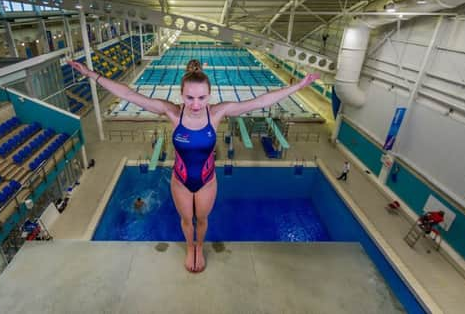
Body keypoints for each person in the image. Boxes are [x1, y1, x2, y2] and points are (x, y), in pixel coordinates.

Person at [68, 58, 318, 273]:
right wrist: (91, 74)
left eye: (201, 98)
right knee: (187, 220)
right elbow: (128, 94)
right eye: (189, 97)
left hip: (208, 180)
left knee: (202, 219)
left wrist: (299, 86)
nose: (196, 104)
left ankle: (200, 245)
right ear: (181, 95)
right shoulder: (172, 113)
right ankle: (191, 247)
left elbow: (260, 101)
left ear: (210, 96)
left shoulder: (218, 113)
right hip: (181, 181)